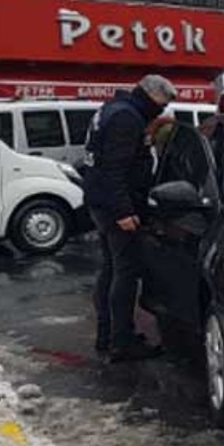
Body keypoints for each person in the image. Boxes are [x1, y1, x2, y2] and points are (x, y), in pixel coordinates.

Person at [82, 75, 178, 363]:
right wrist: (124, 211)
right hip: (115, 208)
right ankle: (121, 342)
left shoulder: (113, 108)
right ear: (150, 96)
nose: (161, 111)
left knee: (111, 270)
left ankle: (108, 335)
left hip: (101, 202)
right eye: (161, 105)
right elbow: (114, 168)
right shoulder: (127, 118)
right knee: (124, 273)